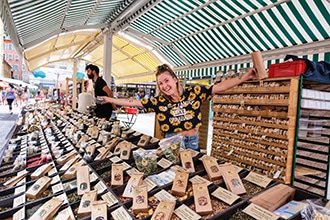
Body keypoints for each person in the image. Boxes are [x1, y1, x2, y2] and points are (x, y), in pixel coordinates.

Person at [100, 64, 256, 151]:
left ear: (175, 79)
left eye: (166, 80)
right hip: (172, 140)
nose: (164, 86)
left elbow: (220, 86)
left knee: (191, 173)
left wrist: (245, 77)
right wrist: (109, 99)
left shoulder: (194, 92)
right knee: (173, 174)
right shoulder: (159, 101)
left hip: (193, 140)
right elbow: (132, 102)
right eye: (160, 83)